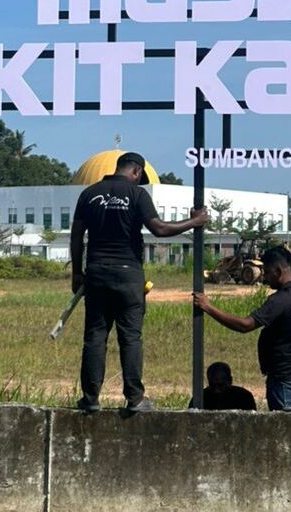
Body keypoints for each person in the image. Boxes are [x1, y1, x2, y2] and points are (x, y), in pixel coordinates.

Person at [72, 151, 208, 413]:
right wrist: (195, 221)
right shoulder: (137, 195)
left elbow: (76, 236)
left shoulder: (89, 194)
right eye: (139, 177)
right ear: (135, 171)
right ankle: (134, 398)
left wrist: (77, 273)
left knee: (95, 337)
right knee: (131, 338)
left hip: (97, 273)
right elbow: (159, 228)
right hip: (128, 275)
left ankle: (90, 399)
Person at [193, 246, 291, 411]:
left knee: (286, 433)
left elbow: (245, 325)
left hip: (285, 383)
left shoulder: (279, 301)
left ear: (278, 271)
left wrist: (208, 307)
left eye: (267, 273)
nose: (265, 278)